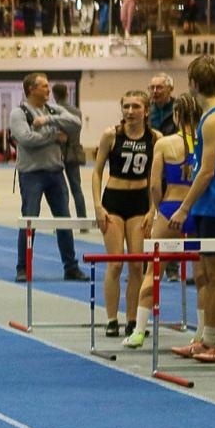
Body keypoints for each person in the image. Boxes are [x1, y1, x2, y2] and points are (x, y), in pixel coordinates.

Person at [168, 56, 215, 363]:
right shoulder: (208, 116)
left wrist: (184, 207)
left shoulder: (213, 120)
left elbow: (207, 171)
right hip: (207, 206)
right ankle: (207, 338)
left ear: (193, 83)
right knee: (207, 276)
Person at [124, 93, 199, 349]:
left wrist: (158, 208)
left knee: (153, 271)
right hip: (197, 208)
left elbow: (154, 184)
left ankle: (139, 331)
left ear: (176, 116)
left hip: (169, 208)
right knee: (204, 274)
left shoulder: (165, 144)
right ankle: (203, 333)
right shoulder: (205, 142)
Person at [11, 73, 88, 283]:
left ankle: (71, 267)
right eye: (44, 86)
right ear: (31, 89)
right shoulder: (19, 113)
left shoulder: (53, 110)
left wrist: (49, 120)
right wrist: (54, 136)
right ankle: (23, 267)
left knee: (64, 220)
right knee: (29, 220)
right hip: (31, 174)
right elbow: (26, 139)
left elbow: (76, 122)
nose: (48, 89)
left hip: (55, 172)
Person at [91, 91, 154, 337]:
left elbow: (155, 178)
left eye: (136, 106)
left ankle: (132, 319)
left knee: (137, 265)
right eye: (126, 106)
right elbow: (97, 172)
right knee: (115, 263)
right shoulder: (112, 135)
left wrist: (152, 209)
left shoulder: (154, 138)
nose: (130, 111)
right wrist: (97, 205)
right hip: (114, 202)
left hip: (139, 203)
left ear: (145, 110)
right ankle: (111, 319)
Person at [52, 84, 89, 217]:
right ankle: (82, 219)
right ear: (67, 94)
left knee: (61, 190)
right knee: (77, 189)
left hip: (57, 154)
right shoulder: (77, 112)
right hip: (74, 152)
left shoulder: (53, 112)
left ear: (54, 95)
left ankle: (63, 219)